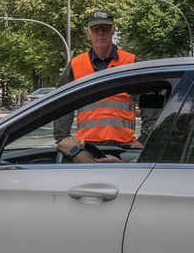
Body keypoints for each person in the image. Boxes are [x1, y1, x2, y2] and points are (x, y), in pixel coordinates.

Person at [54, 11, 139, 157]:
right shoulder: (76, 65)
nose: (101, 33)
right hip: (86, 147)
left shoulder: (130, 63)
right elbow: (61, 102)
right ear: (88, 32)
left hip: (124, 149)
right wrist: (63, 140)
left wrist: (146, 137)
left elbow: (152, 102)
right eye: (96, 29)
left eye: (105, 28)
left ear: (113, 30)